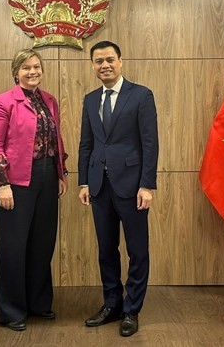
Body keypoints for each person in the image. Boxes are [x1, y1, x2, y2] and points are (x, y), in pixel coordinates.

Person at [78, 41, 159, 337]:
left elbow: (150, 143)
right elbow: (86, 143)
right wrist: (84, 181)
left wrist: (147, 185)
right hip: (100, 186)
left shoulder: (141, 96)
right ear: (93, 65)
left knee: (137, 250)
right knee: (106, 250)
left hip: (132, 186)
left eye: (110, 59)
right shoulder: (89, 99)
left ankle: (131, 309)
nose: (105, 65)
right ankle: (111, 304)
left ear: (121, 61)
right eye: (98, 61)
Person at [0, 48, 68, 332]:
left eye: (36, 67)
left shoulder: (49, 101)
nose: (33, 72)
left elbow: (55, 140)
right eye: (26, 68)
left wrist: (59, 173)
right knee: (13, 246)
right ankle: (11, 311)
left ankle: (38, 303)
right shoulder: (3, 102)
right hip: (15, 182)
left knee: (43, 243)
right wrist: (2, 183)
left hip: (46, 177)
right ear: (16, 72)